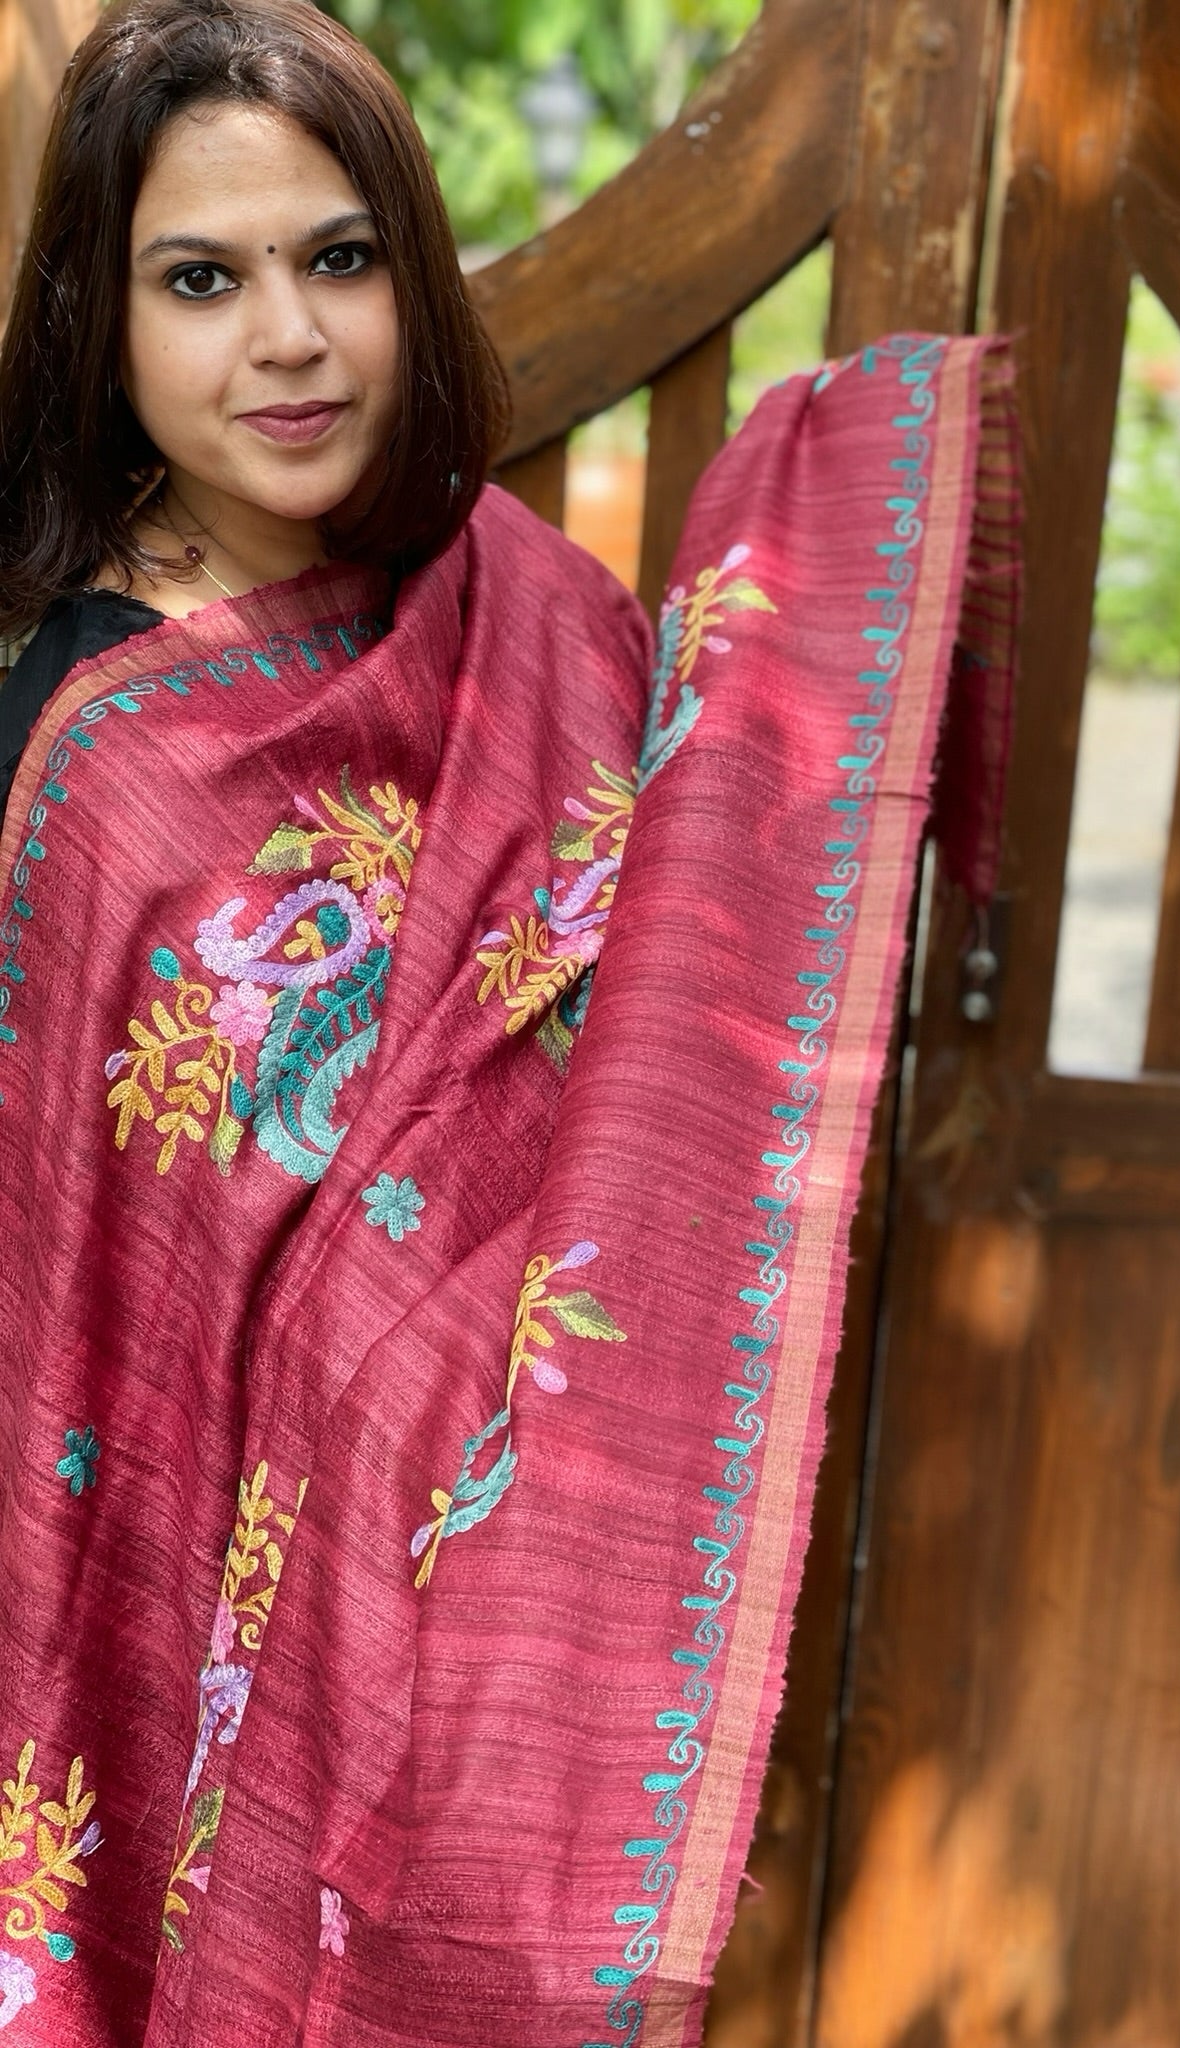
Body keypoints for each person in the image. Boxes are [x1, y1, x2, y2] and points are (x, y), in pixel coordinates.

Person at [0, 0, 1018, 2041]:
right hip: (213, 1585)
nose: (289, 339)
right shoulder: (90, 759)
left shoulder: (514, 599)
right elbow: (93, 1275)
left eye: (341, 257)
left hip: (519, 1550)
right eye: (200, 281)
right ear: (100, 325)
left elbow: (680, 961)